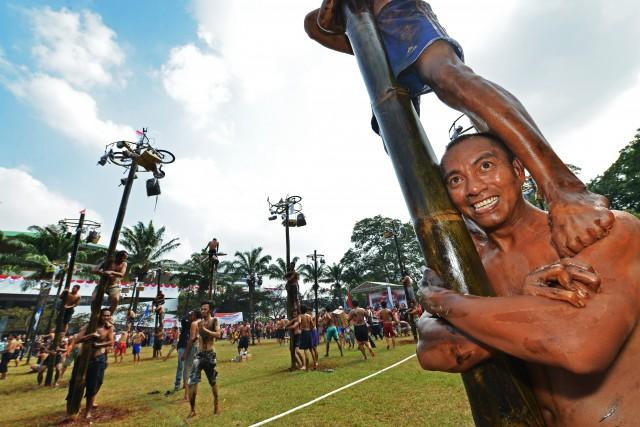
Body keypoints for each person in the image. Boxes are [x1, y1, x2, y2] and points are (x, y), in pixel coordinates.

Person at [305, 0, 614, 260]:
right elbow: (318, 26)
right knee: (397, 137)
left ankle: (563, 188)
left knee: (451, 79)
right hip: (382, 53)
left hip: (399, 11)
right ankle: (474, 227)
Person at [417, 133, 640, 426]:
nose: (474, 188)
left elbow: (578, 343)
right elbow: (438, 352)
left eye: (485, 166)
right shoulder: (476, 273)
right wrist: (526, 312)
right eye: (456, 180)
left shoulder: (592, 234)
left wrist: (441, 301)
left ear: (519, 172)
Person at [65, 308, 114, 420]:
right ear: (99, 316)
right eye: (104, 315)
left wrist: (98, 345)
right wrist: (90, 336)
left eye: (108, 316)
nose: (106, 317)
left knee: (94, 385)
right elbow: (77, 340)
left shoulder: (109, 327)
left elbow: (111, 342)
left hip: (98, 359)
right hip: (83, 360)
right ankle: (70, 411)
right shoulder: (89, 326)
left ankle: (88, 412)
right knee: (75, 383)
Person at [187, 301, 221, 417]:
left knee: (212, 381)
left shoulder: (214, 321)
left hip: (210, 355)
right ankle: (192, 410)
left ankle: (216, 405)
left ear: (210, 310)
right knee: (193, 382)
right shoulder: (199, 323)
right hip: (199, 355)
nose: (203, 311)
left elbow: (218, 334)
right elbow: (196, 337)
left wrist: (205, 330)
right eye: (201, 309)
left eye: (205, 309)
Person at [93, 250, 128, 315]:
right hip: (102, 283)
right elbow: (94, 270)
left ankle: (108, 316)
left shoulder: (124, 264)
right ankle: (95, 314)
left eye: (125, 258)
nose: (124, 259)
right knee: (94, 298)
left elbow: (122, 274)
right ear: (118, 256)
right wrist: (102, 273)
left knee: (116, 300)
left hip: (113, 285)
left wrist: (111, 272)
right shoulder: (109, 261)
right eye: (123, 257)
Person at [183, 310, 201, 401]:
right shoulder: (203, 322)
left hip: (193, 348)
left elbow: (191, 339)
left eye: (192, 315)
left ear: (195, 315)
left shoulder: (194, 324)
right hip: (200, 348)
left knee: (187, 371)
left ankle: (187, 395)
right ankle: (195, 394)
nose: (190, 316)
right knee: (196, 372)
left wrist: (185, 352)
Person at [298, 306, 317, 370]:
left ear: (300, 310)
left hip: (304, 333)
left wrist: (300, 328)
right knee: (311, 349)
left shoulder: (300, 316)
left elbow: (299, 322)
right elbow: (313, 325)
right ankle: (315, 365)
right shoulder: (309, 316)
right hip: (309, 332)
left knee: (305, 350)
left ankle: (307, 368)